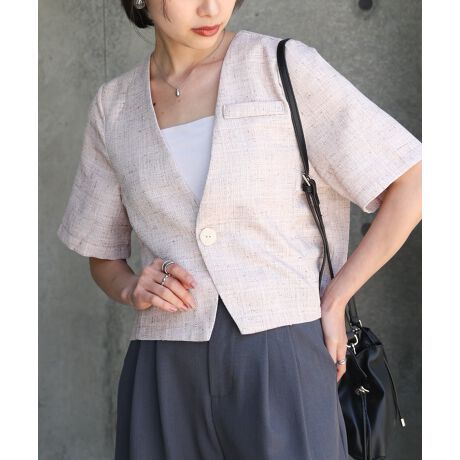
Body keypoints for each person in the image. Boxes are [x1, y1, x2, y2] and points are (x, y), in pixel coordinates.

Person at [56, 0, 422, 459]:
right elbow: (102, 254)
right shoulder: (114, 106)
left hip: (284, 353)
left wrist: (336, 298)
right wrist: (130, 287)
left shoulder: (282, 68)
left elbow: (412, 182)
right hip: (164, 362)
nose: (211, 8)